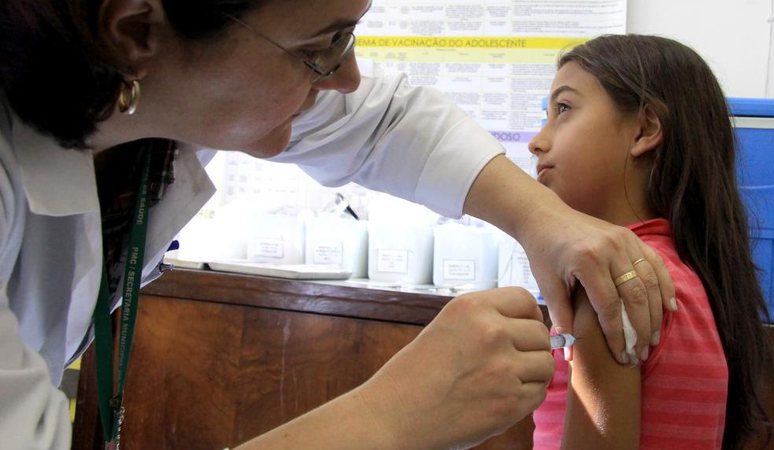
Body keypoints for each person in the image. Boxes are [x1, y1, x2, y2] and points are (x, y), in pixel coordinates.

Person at [0, 1, 676, 449]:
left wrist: (544, 222)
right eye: (323, 45)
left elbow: (385, 123)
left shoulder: (161, 94)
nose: (349, 76)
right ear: (137, 33)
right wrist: (386, 417)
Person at [529, 34, 773, 449]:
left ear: (644, 129)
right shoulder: (687, 274)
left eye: (563, 109)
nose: (538, 140)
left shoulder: (612, 288)